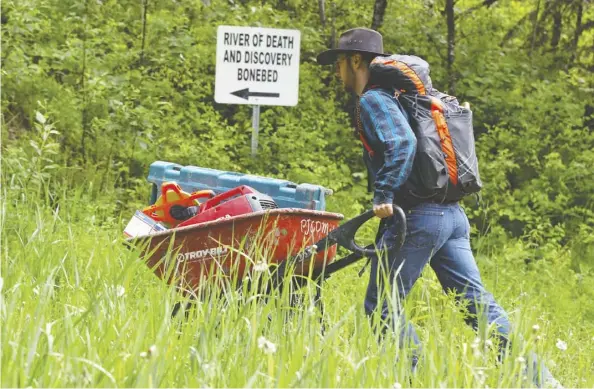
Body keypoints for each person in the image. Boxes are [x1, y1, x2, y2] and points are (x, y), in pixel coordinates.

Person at [316, 27, 561, 388]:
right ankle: (542, 382)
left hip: (415, 217)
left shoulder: (374, 99)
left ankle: (417, 379)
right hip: (451, 216)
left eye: (340, 63)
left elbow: (402, 143)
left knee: (382, 308)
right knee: (478, 306)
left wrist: (383, 195)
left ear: (356, 61)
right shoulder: (409, 97)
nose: (337, 71)